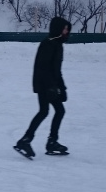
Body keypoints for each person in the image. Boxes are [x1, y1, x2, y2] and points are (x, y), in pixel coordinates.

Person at [14, 17, 71, 158]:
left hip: (50, 85)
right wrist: (51, 87)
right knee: (47, 111)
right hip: (44, 84)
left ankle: (45, 141)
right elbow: (42, 68)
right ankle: (28, 141)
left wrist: (62, 88)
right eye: (64, 28)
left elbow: (56, 70)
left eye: (67, 29)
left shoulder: (57, 44)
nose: (67, 31)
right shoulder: (48, 43)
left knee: (54, 111)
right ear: (58, 29)